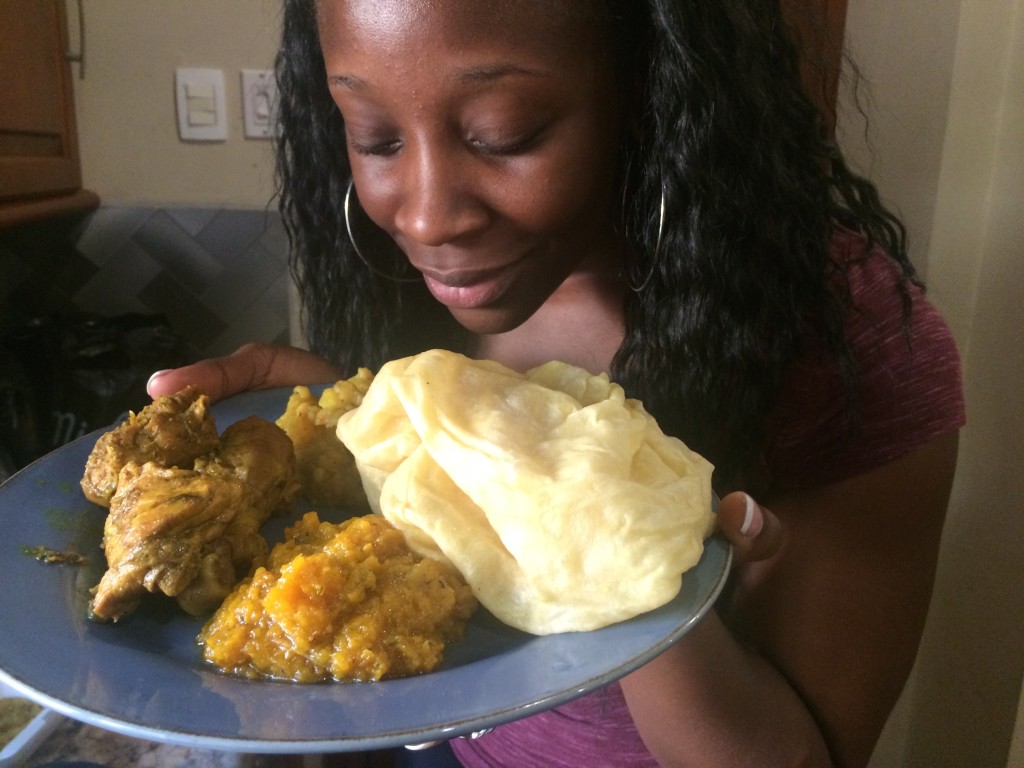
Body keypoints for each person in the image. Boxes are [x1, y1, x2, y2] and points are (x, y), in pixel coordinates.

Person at [147, 1, 965, 765]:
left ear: (650, 87)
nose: (429, 219)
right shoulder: (399, 287)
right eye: (375, 137)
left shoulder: (848, 345)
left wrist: (632, 574)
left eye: (506, 135)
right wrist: (346, 419)